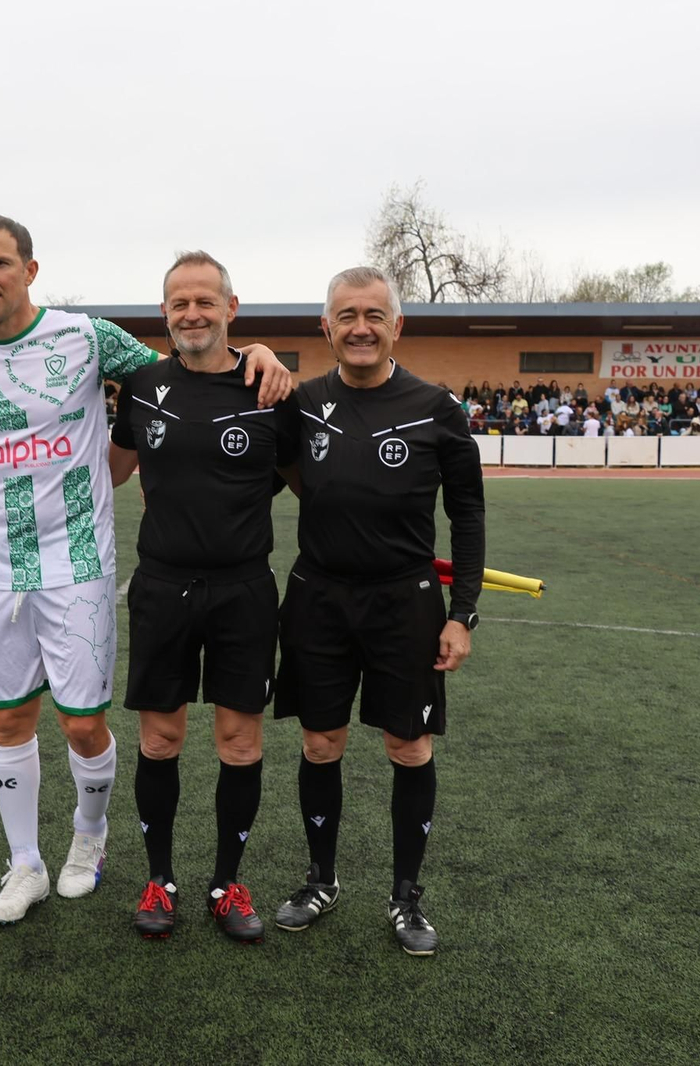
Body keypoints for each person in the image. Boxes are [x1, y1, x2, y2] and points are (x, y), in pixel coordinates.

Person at [0, 214, 290, 925]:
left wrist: (256, 351)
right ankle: (24, 864)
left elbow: (183, 367)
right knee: (9, 718)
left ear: (30, 269)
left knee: (83, 727)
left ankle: (88, 842)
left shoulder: (87, 337)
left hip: (79, 560)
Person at [271, 266, 484, 957]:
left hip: (407, 603)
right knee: (319, 745)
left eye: (374, 315)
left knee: (408, 747)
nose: (360, 327)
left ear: (398, 326)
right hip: (318, 599)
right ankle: (321, 879)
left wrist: (464, 613)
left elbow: (468, 514)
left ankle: (406, 896)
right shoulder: (299, 405)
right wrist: (255, 355)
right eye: (346, 315)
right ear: (325, 327)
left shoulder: (437, 407)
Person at [107, 252, 285, 943]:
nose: (192, 314)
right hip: (162, 586)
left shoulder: (268, 385)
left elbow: (309, 480)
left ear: (231, 309)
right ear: (165, 314)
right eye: (179, 303)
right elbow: (112, 472)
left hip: (244, 589)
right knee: (162, 736)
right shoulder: (145, 386)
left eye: (205, 302)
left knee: (240, 742)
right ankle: (160, 878)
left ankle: (226, 882)